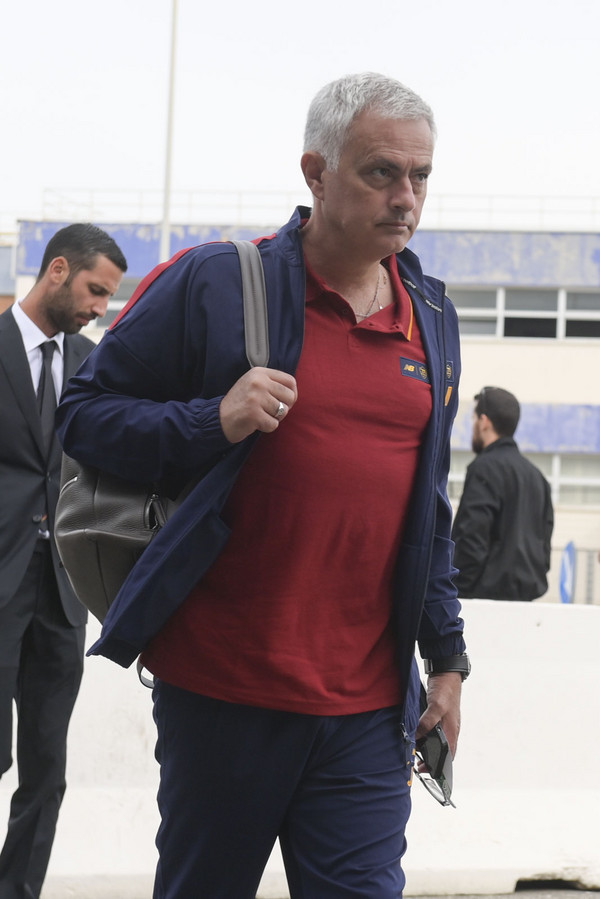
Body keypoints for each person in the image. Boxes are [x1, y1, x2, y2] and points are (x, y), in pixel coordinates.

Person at [56, 73, 468, 899]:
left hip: (367, 706)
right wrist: (213, 419)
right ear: (317, 172)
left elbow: (425, 506)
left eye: (420, 176)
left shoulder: (430, 313)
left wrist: (447, 657)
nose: (405, 197)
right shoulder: (215, 281)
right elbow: (83, 416)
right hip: (224, 689)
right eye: (381, 172)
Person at [0, 223, 127, 899]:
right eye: (95, 291)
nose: (99, 308)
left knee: (46, 770)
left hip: (62, 591)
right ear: (57, 270)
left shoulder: (92, 362)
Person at [451, 386, 554, 600]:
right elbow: (544, 547)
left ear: (484, 422)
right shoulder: (538, 478)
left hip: (483, 601)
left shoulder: (484, 468)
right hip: (527, 602)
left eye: (474, 419)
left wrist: (456, 591)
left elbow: (471, 537)